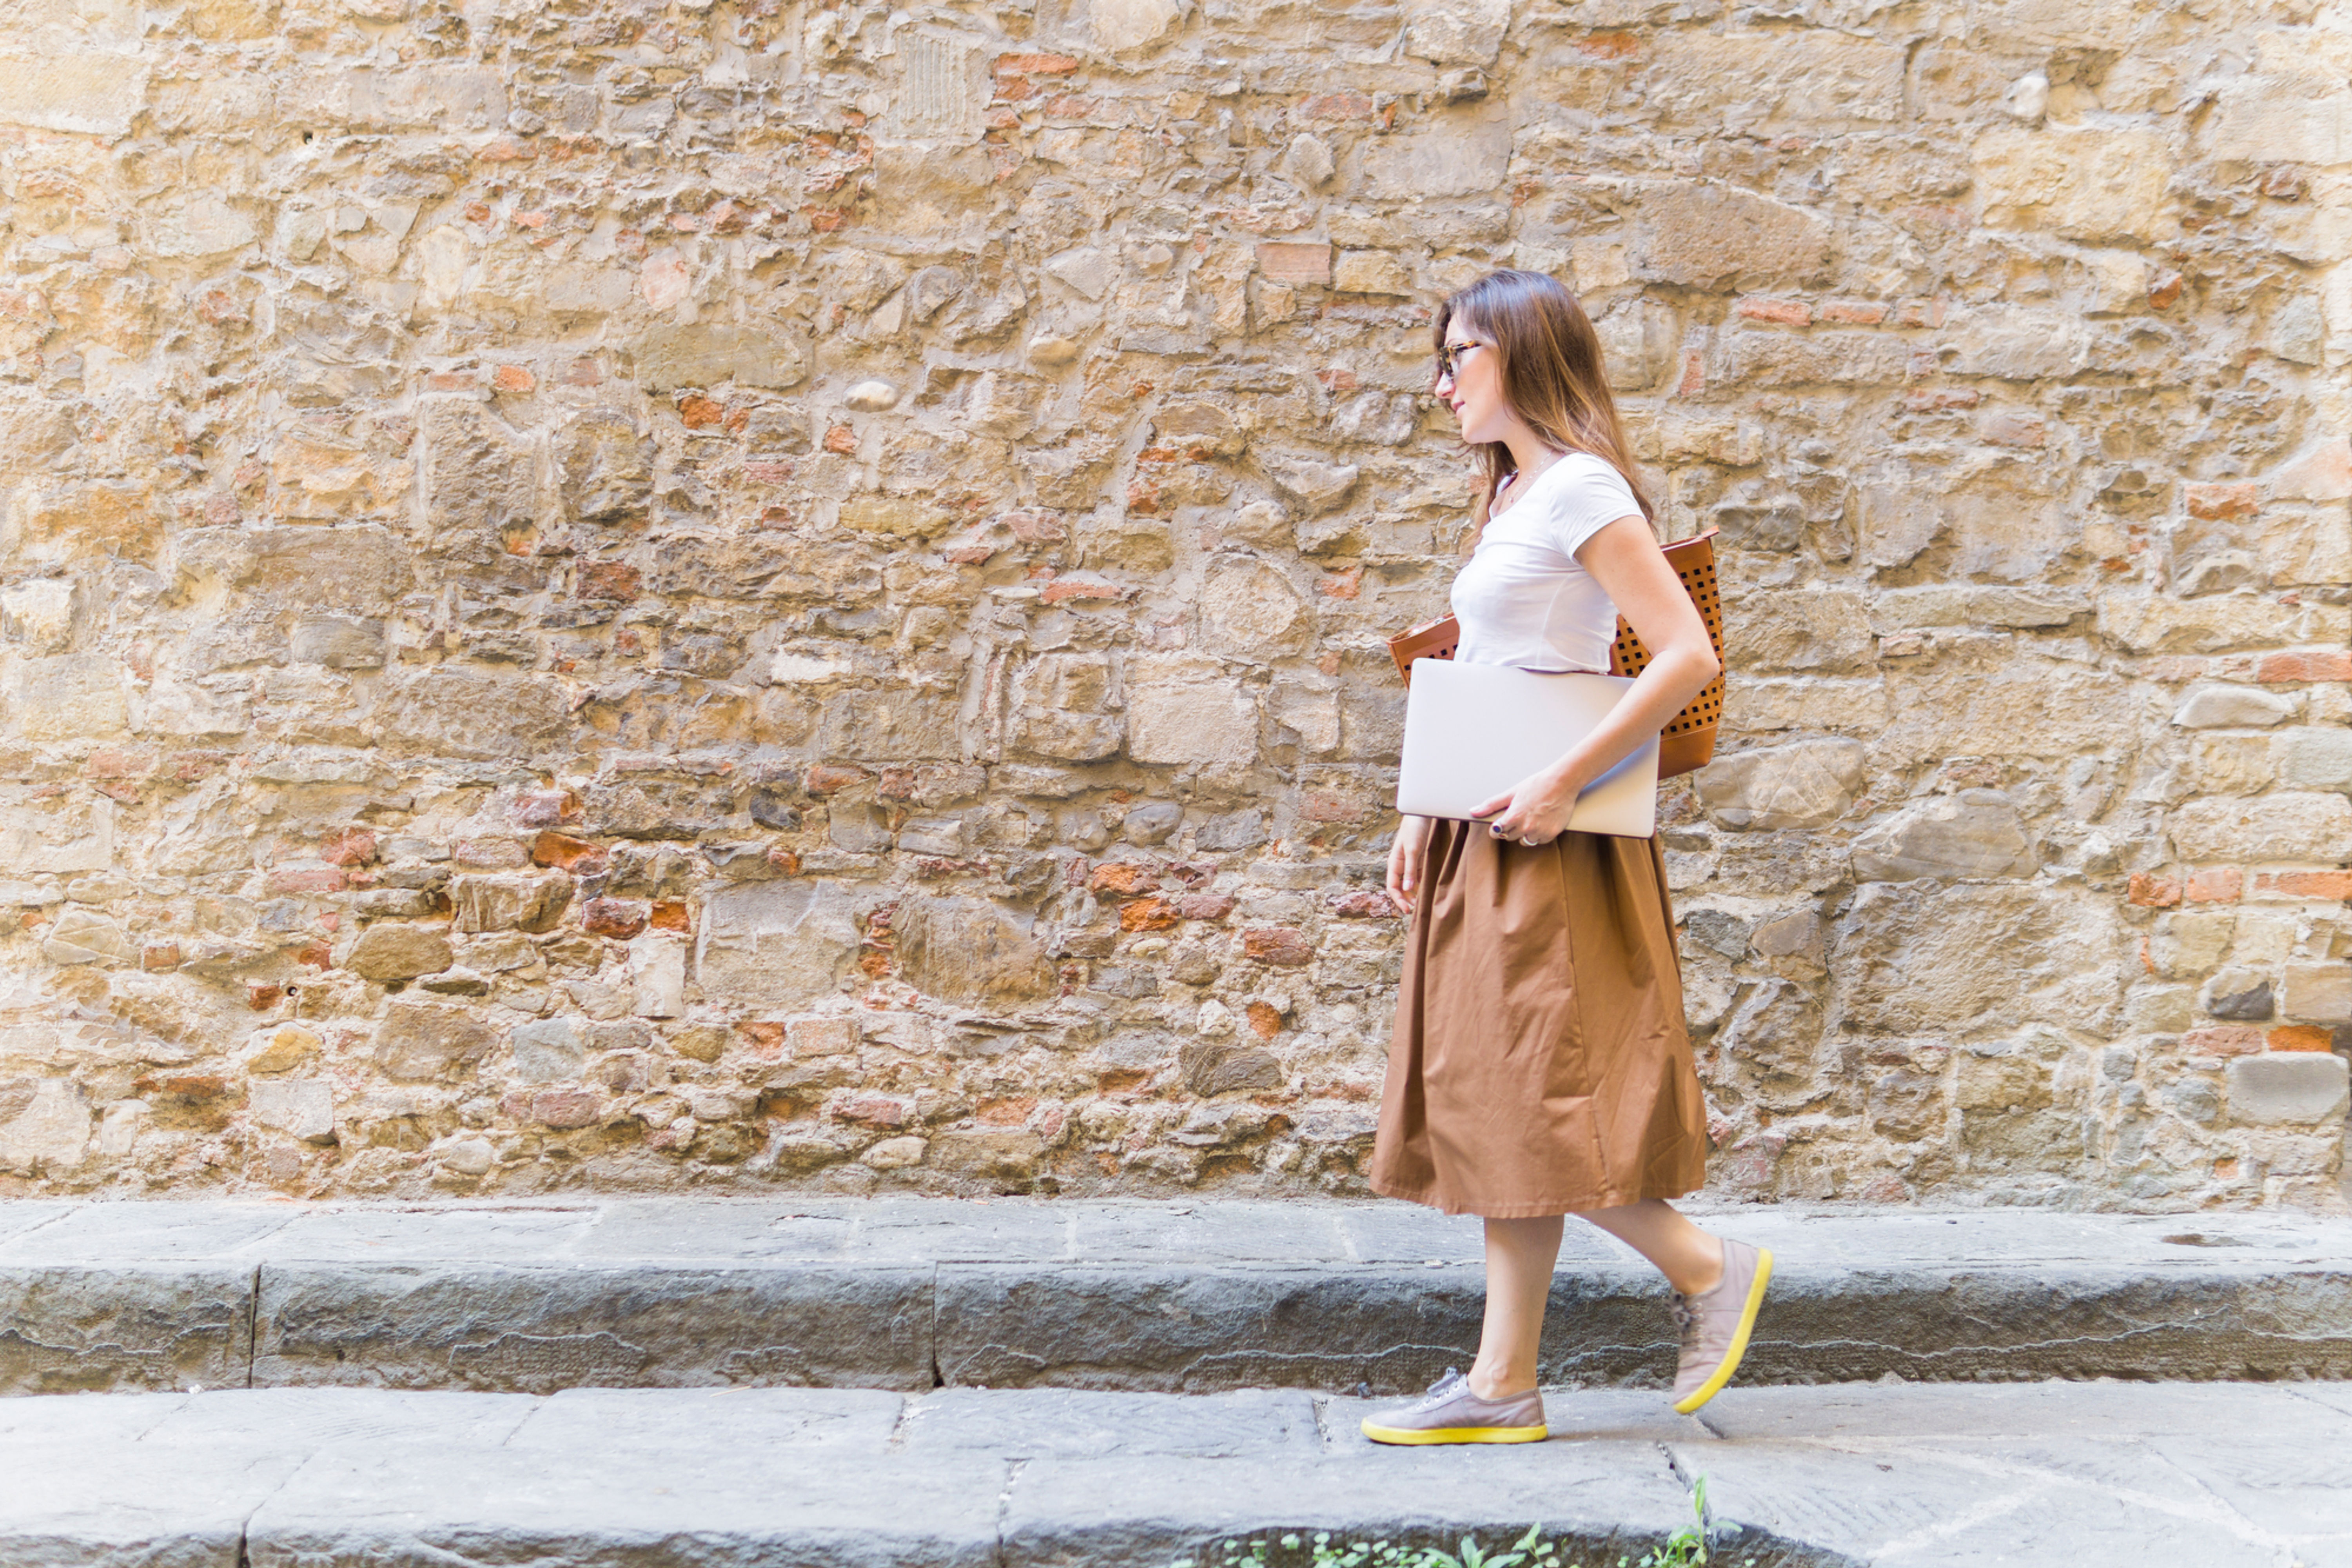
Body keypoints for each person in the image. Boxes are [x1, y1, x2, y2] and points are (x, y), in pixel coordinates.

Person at [1359, 269, 1770, 1446]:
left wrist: (1557, 779)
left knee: (1527, 1098)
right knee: (1502, 1102)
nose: (1443, 384)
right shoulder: (1511, 495)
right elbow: (1486, 668)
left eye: (1462, 358)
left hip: (1550, 840)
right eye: (1439, 361)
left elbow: (1684, 655)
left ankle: (1705, 1266)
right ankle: (1503, 1385)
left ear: (1526, 356)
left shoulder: (1581, 489)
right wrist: (1418, 807)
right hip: (1483, 830)